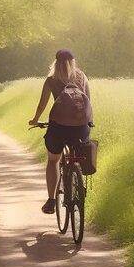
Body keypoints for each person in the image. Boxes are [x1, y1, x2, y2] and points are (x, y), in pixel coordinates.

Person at [28, 49, 92, 214]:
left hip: (59, 127)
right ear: (73, 61)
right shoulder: (82, 76)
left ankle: (51, 200)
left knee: (53, 160)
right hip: (81, 127)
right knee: (78, 152)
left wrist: (35, 119)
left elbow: (42, 105)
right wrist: (87, 122)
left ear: (55, 62)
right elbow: (88, 101)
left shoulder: (51, 80)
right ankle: (77, 179)